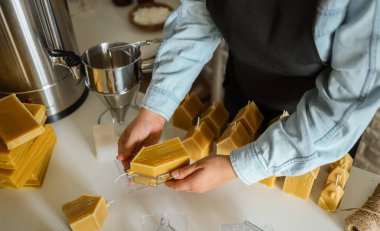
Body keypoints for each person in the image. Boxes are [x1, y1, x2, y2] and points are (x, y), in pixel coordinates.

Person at [117, 0, 380, 193]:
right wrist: (154, 112)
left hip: (316, 133)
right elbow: (198, 19)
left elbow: (348, 99)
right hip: (243, 94)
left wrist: (240, 166)